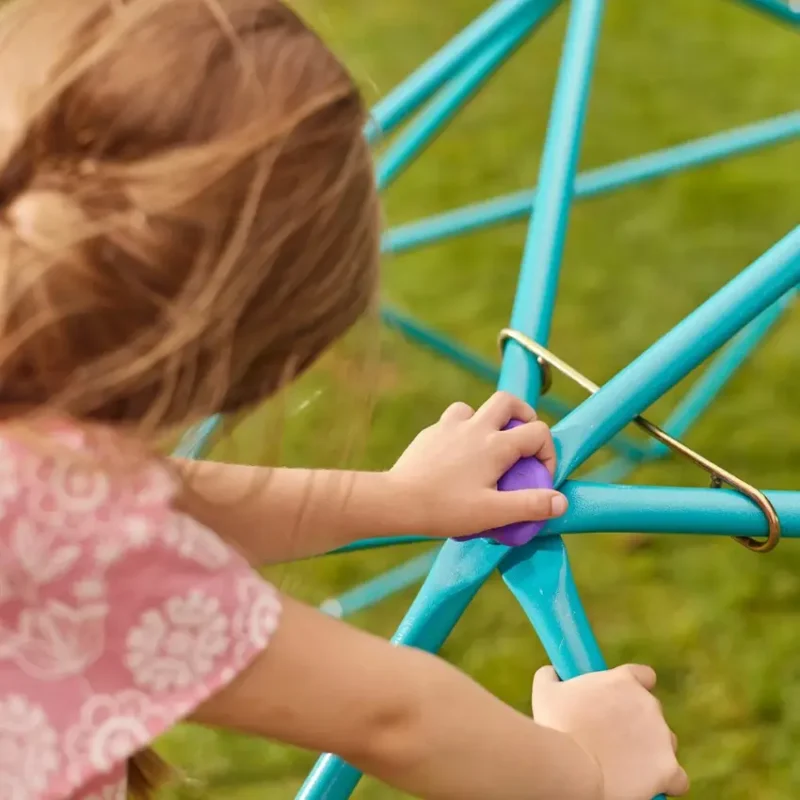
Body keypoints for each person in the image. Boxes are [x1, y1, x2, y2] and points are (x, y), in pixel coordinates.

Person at [0, 0, 690, 798]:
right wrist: (588, 770)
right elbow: (394, 717)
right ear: (254, 355)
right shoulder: (69, 530)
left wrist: (398, 500)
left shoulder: (53, 503)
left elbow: (162, 507)